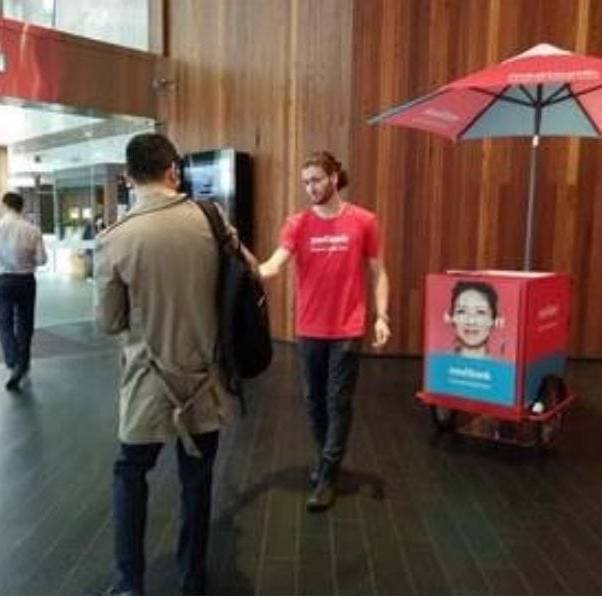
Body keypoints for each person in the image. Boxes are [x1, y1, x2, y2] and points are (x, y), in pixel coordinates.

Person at [95, 132, 242, 595]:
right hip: (203, 379)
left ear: (128, 177)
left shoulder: (114, 240)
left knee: (130, 473)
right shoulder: (211, 218)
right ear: (174, 170)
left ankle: (129, 583)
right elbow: (243, 280)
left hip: (146, 383)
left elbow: (109, 320)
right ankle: (191, 579)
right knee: (196, 479)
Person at [259, 150, 391, 511]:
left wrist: (382, 316)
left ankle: (328, 475)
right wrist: (237, 254)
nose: (310, 188)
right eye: (305, 182)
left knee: (338, 401)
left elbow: (378, 272)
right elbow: (272, 267)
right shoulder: (297, 224)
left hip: (347, 328)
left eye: (316, 179)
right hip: (310, 328)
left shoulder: (364, 220)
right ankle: (325, 460)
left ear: (334, 177)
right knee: (313, 401)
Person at [0, 192, 47, 391]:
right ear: (22, 207)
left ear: (4, 206)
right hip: (26, 280)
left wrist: (0, 257)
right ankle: (23, 363)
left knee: (4, 322)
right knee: (25, 323)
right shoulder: (33, 230)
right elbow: (42, 260)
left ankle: (13, 361)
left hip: (2, 281)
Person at [446, 281, 500, 358]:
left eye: (480, 312)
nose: (471, 321)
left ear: (494, 321)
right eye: (462, 311)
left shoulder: (503, 368)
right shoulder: (438, 364)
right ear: (451, 318)